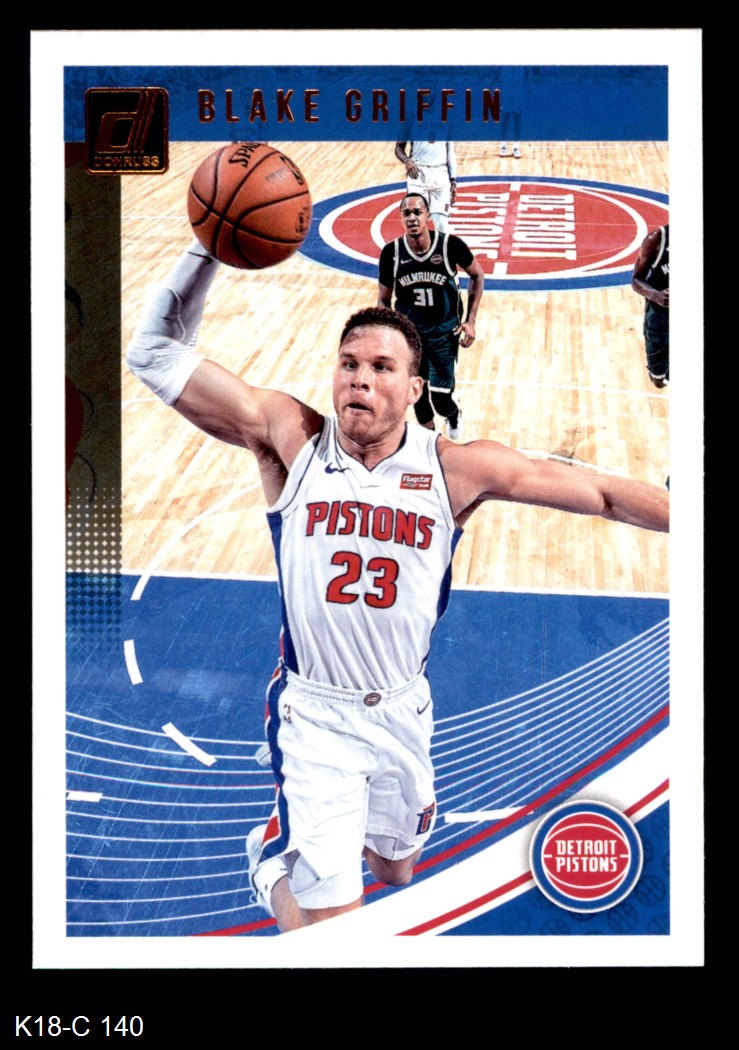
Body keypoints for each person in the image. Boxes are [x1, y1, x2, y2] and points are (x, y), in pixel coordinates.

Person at [126, 240, 669, 933]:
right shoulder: (292, 439)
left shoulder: (455, 469)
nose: (360, 379)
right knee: (334, 931)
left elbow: (603, 494)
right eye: (348, 364)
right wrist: (207, 247)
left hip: (403, 707)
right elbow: (153, 352)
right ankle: (272, 860)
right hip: (315, 717)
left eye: (382, 368)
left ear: (415, 388)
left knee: (395, 869)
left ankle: (315, 842)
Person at [377, 192, 484, 440]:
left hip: (444, 335)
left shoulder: (450, 246)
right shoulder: (392, 253)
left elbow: (477, 275)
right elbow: (383, 299)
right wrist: (386, 335)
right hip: (411, 338)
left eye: (417, 212)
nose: (412, 218)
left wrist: (470, 321)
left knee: (441, 400)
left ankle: (453, 414)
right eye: (406, 213)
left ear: (428, 216)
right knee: (417, 395)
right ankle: (431, 444)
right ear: (400, 219)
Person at [631, 224, 669, 388]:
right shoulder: (657, 239)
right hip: (660, 318)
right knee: (659, 380)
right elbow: (636, 280)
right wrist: (655, 295)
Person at [395, 141, 457, 233]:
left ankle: (440, 242)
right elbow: (399, 148)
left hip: (440, 174)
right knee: (416, 222)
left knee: (442, 225)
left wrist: (453, 180)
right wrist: (407, 161)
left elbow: (450, 152)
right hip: (417, 173)